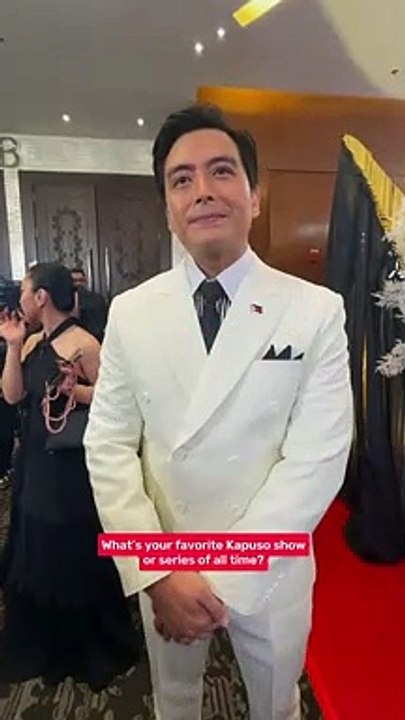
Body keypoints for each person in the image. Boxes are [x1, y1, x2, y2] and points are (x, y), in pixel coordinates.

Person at [84, 105, 353, 720]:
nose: (202, 190)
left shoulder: (315, 310)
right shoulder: (131, 312)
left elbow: (318, 459)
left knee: (276, 703)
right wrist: (159, 574)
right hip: (167, 560)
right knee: (174, 701)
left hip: (272, 565)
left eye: (222, 171)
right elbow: (108, 444)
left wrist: (224, 578)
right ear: (168, 209)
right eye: (181, 179)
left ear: (255, 197)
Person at [0, 263, 140, 691]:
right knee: (35, 538)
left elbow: (115, 399)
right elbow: (12, 395)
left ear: (41, 297)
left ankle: (85, 645)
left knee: (69, 542)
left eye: (25, 292)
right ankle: (42, 641)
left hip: (69, 462)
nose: (21, 300)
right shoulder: (31, 341)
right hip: (34, 459)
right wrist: (13, 346)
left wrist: (75, 391)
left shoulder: (85, 343)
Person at [70, 268, 108, 343]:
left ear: (85, 281)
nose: (78, 283)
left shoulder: (97, 299)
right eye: (74, 281)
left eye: (80, 280)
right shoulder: (64, 301)